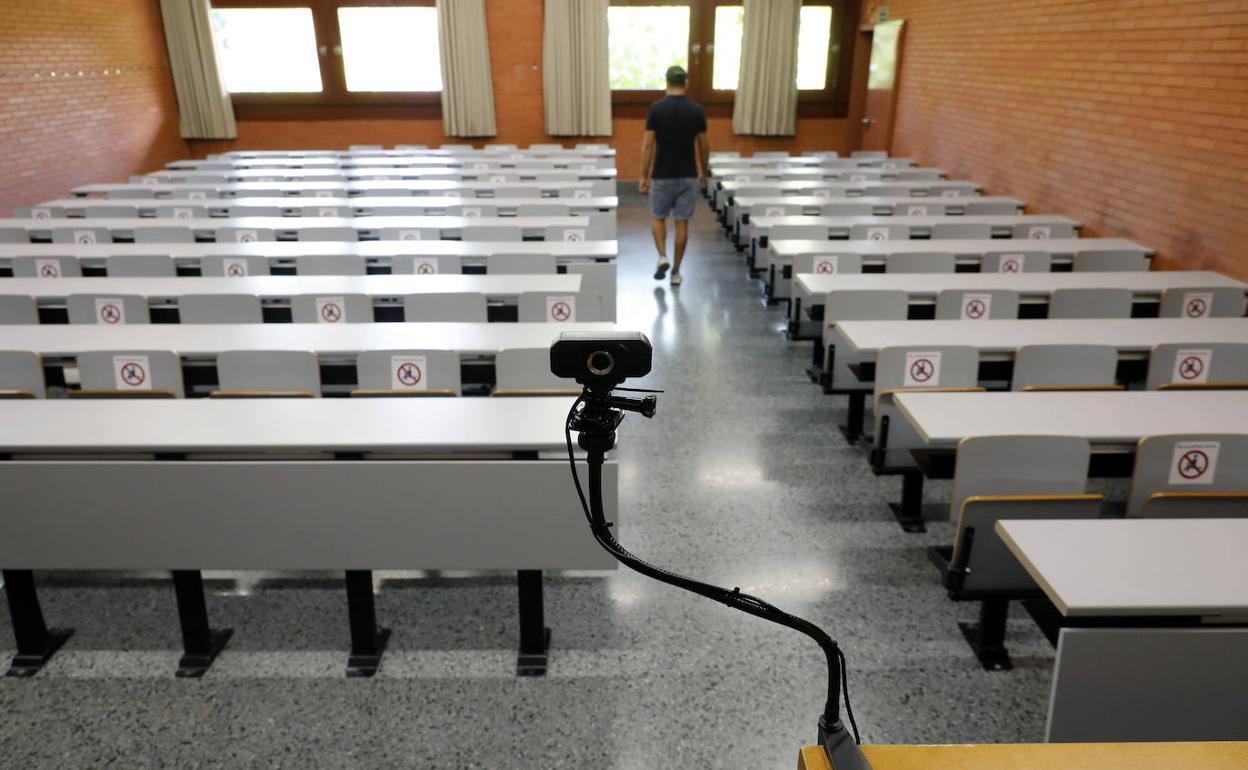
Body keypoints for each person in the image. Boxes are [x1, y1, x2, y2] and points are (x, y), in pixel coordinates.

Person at [639, 65, 709, 286]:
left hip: (662, 174)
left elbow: (648, 144)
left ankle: (662, 256)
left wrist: (643, 175)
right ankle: (676, 272)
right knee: (682, 223)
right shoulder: (696, 110)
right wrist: (703, 173)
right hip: (687, 175)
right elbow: (704, 146)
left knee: (658, 217)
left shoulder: (656, 109)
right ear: (685, 83)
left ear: (667, 83)